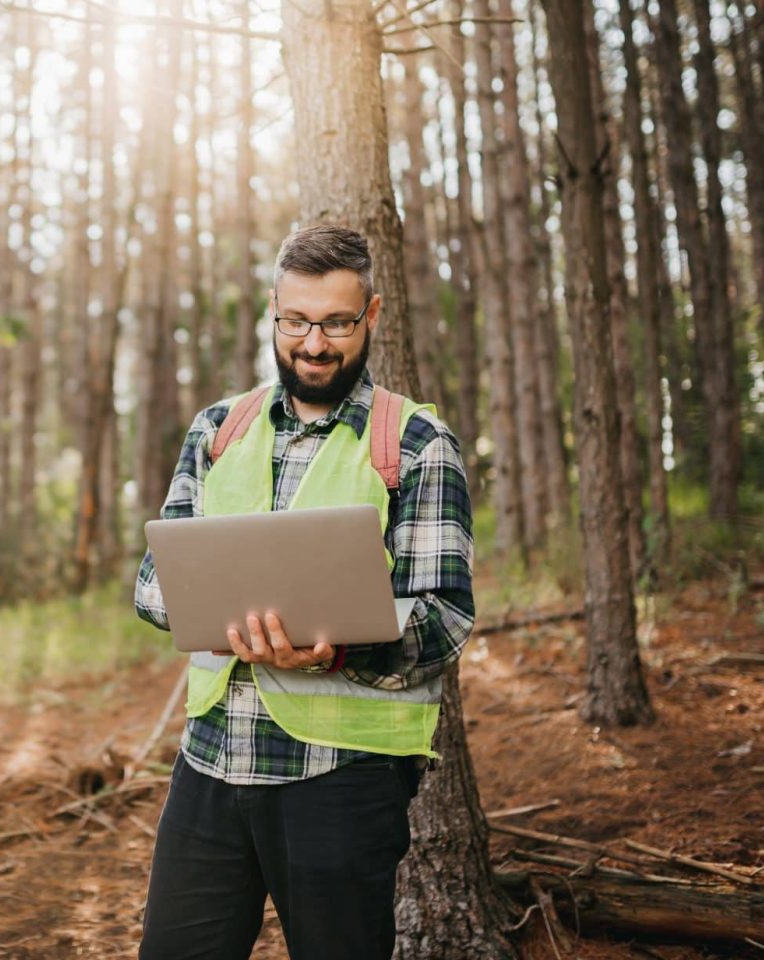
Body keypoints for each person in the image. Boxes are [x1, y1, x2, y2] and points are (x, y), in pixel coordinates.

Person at [133, 224, 475, 960]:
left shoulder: (413, 443)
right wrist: (212, 611)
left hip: (341, 778)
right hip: (211, 761)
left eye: (336, 324)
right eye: (295, 322)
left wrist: (341, 645)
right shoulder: (219, 429)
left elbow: (444, 617)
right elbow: (152, 583)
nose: (313, 345)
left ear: (372, 317)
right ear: (272, 312)